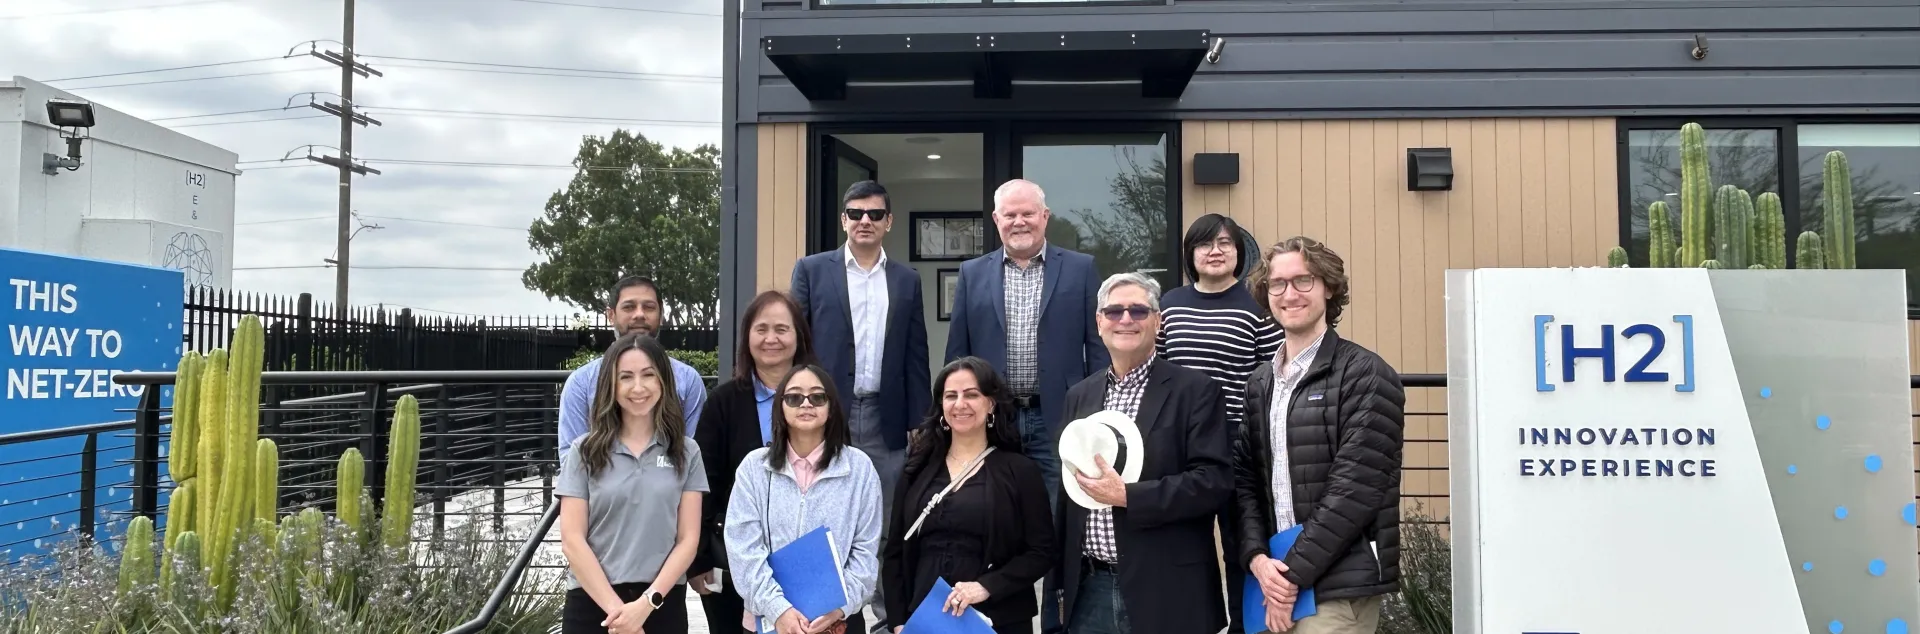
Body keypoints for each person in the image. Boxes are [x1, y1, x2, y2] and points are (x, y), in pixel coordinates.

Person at [1233, 236, 1405, 634]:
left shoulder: (1366, 374)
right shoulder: (1261, 382)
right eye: (1278, 283)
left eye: (1303, 281)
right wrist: (1258, 559)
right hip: (1270, 583)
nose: (1289, 294)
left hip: (1335, 589)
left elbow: (1355, 492)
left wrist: (1291, 579)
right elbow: (1245, 483)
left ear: (1328, 287)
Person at [789, 179, 931, 634]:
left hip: (887, 420)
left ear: (888, 222)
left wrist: (918, 421)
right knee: (823, 522)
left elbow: (916, 354)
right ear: (844, 220)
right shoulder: (812, 270)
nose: (864, 221)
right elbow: (797, 350)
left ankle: (889, 621)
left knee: (888, 527)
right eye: (855, 213)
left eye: (874, 214)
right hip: (826, 416)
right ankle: (826, 620)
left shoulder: (907, 280)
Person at [1056, 272, 1233, 634]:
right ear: (1099, 322)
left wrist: (1128, 497)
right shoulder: (1080, 396)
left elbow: (1214, 482)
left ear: (1158, 321)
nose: (1125, 319)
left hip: (1169, 592)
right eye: (1114, 311)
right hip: (1090, 592)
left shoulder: (1196, 391)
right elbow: (1067, 499)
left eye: (1138, 311)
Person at [1153, 213, 1281, 634]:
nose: (1216, 251)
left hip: (1237, 443)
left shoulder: (1257, 307)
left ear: (1239, 253)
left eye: (1226, 243)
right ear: (1191, 254)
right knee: (1182, 543)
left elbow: (1273, 375)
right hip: (1177, 443)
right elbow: (1156, 373)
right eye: (1206, 244)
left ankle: (1245, 626)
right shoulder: (1169, 305)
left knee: (1240, 543)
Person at [881, 357, 1057, 634]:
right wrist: (898, 621)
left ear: (991, 404)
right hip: (923, 619)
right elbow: (894, 552)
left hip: (996, 620)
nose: (960, 404)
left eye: (972, 394)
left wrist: (986, 587)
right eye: (951, 396)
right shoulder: (916, 468)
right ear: (941, 406)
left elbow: (1041, 552)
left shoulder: (1020, 471)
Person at [556, 332, 710, 634]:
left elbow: (688, 540)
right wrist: (620, 614)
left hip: (660, 603)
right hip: (594, 605)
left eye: (648, 375)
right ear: (611, 386)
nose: (637, 387)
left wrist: (645, 606)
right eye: (625, 377)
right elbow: (572, 540)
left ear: (663, 381)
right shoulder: (583, 451)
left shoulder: (687, 452)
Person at [691, 290, 820, 633]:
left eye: (782, 328)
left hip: (807, 561)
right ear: (747, 337)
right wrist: (699, 560)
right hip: (734, 562)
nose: (771, 338)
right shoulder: (723, 403)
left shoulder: (822, 397)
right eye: (761, 329)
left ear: (799, 337)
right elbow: (703, 482)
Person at [727, 365, 885, 634]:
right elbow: (743, 550)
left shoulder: (859, 469)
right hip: (768, 623)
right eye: (794, 397)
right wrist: (779, 610)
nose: (806, 404)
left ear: (831, 407)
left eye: (817, 397)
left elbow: (865, 551)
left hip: (837, 623)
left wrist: (837, 607)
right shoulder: (754, 468)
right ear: (781, 407)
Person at [561, 275, 710, 449]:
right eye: (629, 307)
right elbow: (571, 458)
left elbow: (692, 455)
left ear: (660, 315)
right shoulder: (581, 383)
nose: (639, 314)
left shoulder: (688, 380)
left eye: (648, 307)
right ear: (611, 315)